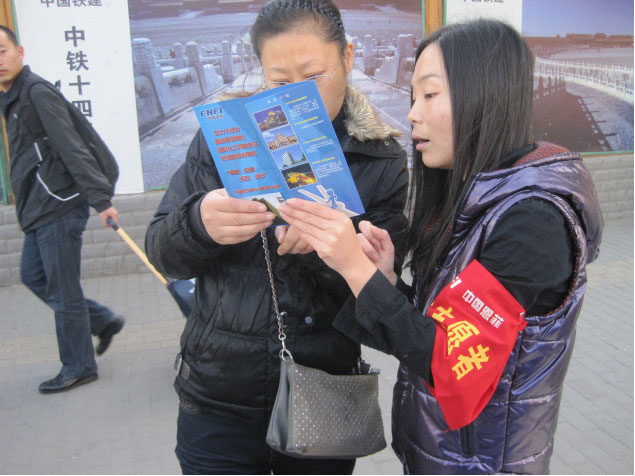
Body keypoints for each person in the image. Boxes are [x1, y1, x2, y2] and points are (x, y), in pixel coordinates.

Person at [279, 19, 604, 474]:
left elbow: (451, 366)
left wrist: (355, 268)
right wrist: (384, 280)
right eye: (414, 96)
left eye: (430, 95)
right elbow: (441, 334)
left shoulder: (531, 221)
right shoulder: (476, 199)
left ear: (485, 96)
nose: (413, 113)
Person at [144, 0, 408, 474]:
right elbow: (163, 253)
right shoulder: (221, 139)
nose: (296, 97)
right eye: (279, 82)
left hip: (322, 392)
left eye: (314, 77)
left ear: (347, 57)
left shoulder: (381, 159)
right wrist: (199, 223)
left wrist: (332, 249)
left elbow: (379, 306)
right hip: (218, 396)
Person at [0, 26, 125, 394]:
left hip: (59, 204)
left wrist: (101, 200)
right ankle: (101, 321)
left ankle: (78, 366)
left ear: (20, 51)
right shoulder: (12, 96)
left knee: (62, 289)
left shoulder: (36, 93)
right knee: (33, 276)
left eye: (2, 51)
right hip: (40, 207)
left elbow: (72, 146)